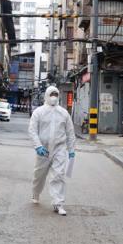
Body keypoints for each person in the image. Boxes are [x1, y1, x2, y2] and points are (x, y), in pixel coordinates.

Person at [29, 86, 76, 216]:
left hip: (59, 149)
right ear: (46, 95)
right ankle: (36, 193)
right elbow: (32, 130)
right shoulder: (39, 112)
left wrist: (71, 149)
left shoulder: (64, 113)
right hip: (43, 149)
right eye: (51, 94)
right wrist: (38, 146)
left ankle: (58, 203)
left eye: (56, 94)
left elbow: (70, 132)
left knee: (58, 175)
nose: (53, 97)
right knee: (39, 175)